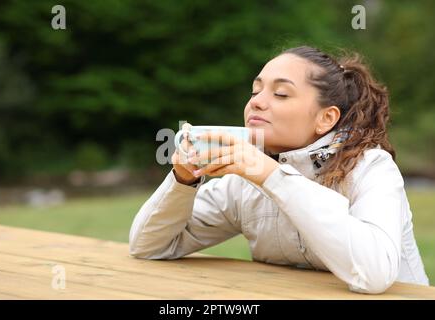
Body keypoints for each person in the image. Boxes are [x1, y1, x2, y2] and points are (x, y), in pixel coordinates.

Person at [129, 46, 429, 294]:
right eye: (255, 91)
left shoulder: (371, 168)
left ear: (326, 119)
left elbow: (374, 273)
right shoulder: (244, 180)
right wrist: (182, 180)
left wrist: (272, 176)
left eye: (281, 94)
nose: (257, 103)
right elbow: (148, 246)